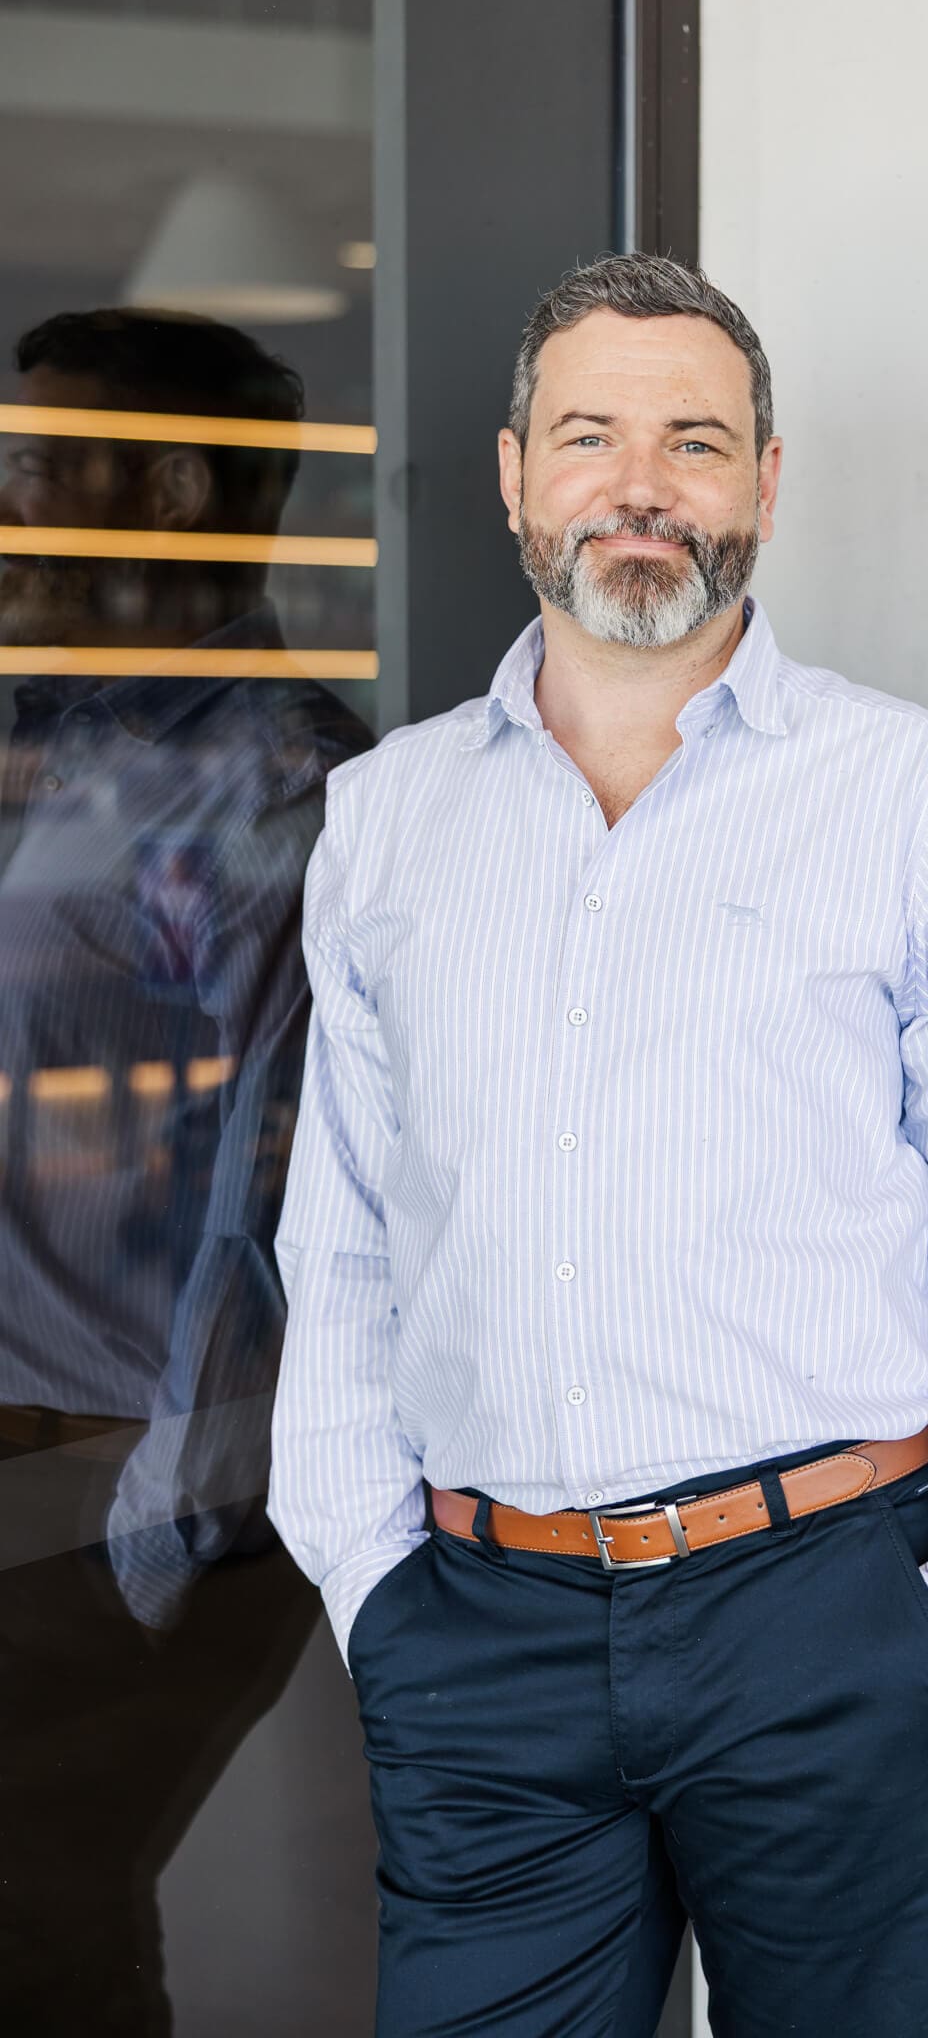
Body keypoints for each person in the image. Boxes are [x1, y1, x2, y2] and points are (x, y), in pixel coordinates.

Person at [267, 251, 928, 2038]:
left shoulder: (904, 793)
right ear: (513, 475)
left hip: (827, 1619)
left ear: (763, 481)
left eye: (693, 442)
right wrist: (369, 1584)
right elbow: (341, 1235)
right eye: (588, 437)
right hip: (476, 1630)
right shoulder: (386, 817)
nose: (639, 487)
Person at [0, 306, 372, 2034]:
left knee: (37, 1888)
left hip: (124, 1473)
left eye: (25, 470)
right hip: (28, 1459)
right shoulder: (48, 738)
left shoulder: (269, 783)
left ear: (152, 489)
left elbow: (281, 1187)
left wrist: (170, 1537)